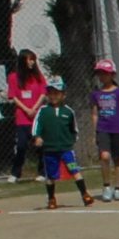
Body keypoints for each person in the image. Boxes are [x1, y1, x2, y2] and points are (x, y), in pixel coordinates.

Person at [33, 76, 90, 209]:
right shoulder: (43, 111)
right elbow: (37, 125)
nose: (53, 96)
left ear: (64, 95)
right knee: (51, 176)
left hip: (66, 149)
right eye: (50, 93)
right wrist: (37, 136)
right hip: (50, 149)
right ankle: (51, 198)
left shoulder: (68, 111)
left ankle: (85, 194)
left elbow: (73, 128)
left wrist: (72, 140)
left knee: (74, 170)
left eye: (56, 93)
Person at [88, 58, 119, 199]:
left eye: (106, 73)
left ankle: (117, 188)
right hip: (103, 128)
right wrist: (95, 133)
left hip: (118, 129)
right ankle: (106, 186)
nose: (103, 76)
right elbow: (95, 114)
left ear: (113, 75)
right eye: (100, 73)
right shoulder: (96, 94)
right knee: (105, 156)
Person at [4, 50, 46, 180]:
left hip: (37, 117)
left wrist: (34, 108)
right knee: (21, 146)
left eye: (33, 59)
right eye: (28, 59)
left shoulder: (38, 77)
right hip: (22, 118)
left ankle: (42, 172)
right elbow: (13, 96)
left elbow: (43, 93)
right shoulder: (13, 77)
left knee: (41, 146)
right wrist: (26, 109)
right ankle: (15, 173)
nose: (31, 62)